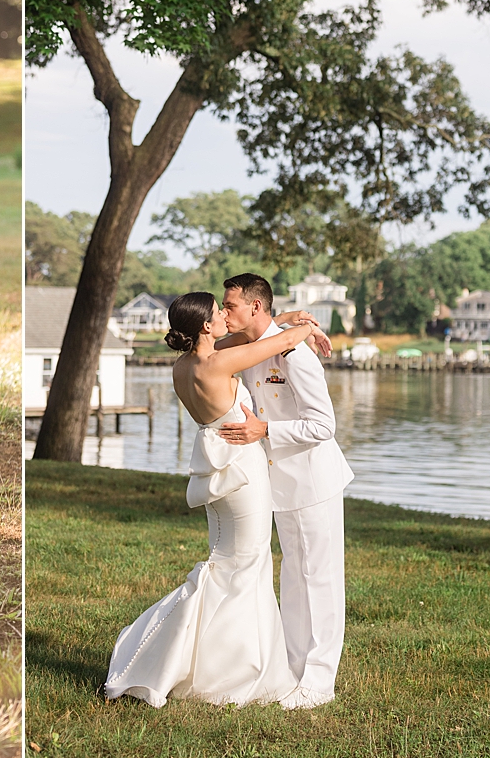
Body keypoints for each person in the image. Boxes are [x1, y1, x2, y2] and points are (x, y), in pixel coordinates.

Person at [103, 292, 327, 708]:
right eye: (218, 313)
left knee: (225, 563)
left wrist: (287, 317)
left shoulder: (184, 366)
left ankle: (194, 657)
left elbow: (239, 342)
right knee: (247, 567)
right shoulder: (217, 363)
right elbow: (273, 344)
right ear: (205, 326)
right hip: (242, 472)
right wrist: (305, 328)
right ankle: (236, 673)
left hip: (218, 475)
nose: (226, 316)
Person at [216, 272, 355, 709]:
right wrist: (293, 319)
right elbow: (211, 348)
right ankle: (295, 671)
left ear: (255, 307)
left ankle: (319, 682)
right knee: (293, 580)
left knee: (320, 579)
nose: (224, 313)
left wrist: (265, 429)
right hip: (281, 485)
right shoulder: (255, 348)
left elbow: (323, 425)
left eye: (231, 306)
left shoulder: (295, 354)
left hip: (315, 482)